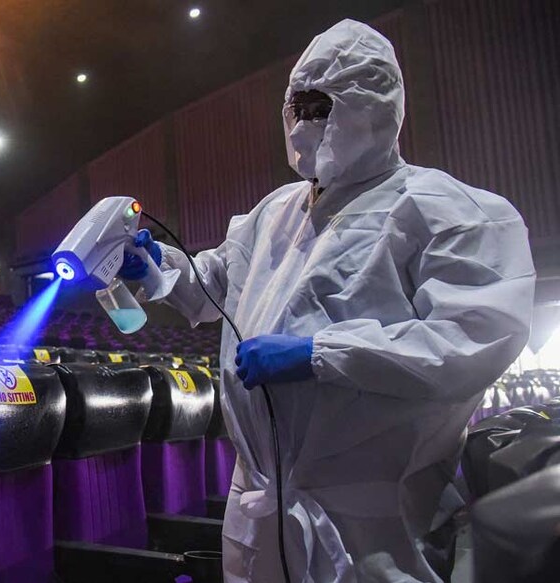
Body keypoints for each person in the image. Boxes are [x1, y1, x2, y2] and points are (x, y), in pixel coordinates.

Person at [121, 19, 535, 583]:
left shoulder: (447, 211)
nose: (306, 122)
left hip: (371, 524)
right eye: (298, 105)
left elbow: (470, 340)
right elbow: (216, 284)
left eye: (324, 105)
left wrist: (320, 353)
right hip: (260, 506)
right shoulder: (275, 213)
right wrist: (157, 269)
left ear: (376, 104)